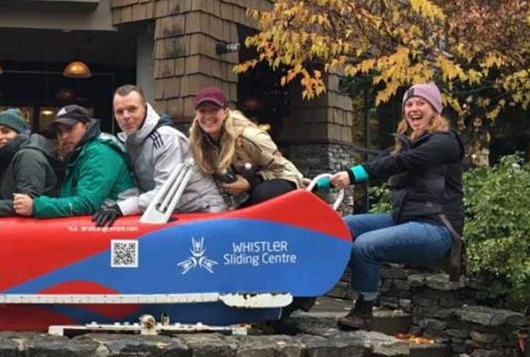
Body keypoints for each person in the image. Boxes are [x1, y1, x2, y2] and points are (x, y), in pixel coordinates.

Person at [327, 83, 464, 330]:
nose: (414, 108)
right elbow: (377, 163)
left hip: (437, 228)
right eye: (409, 104)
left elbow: (400, 163)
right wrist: (324, 182)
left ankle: (363, 311)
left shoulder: (445, 143)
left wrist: (352, 176)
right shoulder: (407, 143)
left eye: (421, 103)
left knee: (365, 246)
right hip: (404, 219)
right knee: (338, 227)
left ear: (435, 109)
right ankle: (307, 293)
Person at [92, 85, 226, 226]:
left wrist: (121, 208)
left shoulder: (166, 138)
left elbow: (165, 191)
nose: (126, 116)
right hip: (173, 211)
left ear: (145, 108)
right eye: (120, 112)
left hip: (207, 212)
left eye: (132, 109)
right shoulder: (129, 141)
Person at [13, 104, 137, 219]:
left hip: (118, 226)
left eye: (69, 129)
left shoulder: (100, 153)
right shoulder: (81, 152)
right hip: (105, 224)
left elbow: (88, 203)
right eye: (60, 132)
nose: (64, 136)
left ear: (86, 126)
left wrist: (36, 206)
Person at [188, 86, 304, 208]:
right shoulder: (196, 142)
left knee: (263, 194)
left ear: (225, 113)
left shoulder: (249, 137)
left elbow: (280, 168)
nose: (208, 116)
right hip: (244, 195)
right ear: (196, 114)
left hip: (279, 179)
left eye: (214, 110)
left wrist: (250, 183)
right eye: (202, 111)